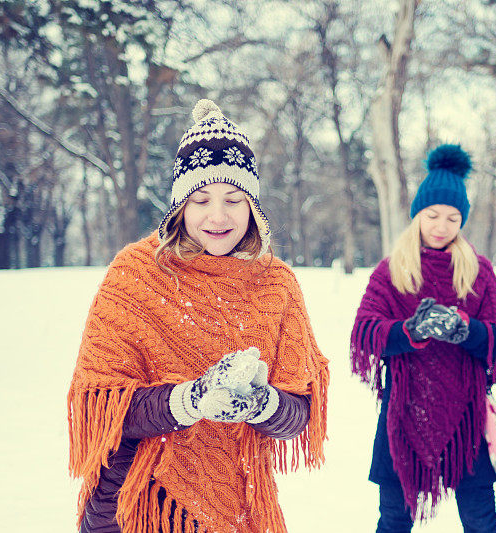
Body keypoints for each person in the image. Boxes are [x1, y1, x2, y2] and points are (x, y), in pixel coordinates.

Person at [68, 99, 329, 533]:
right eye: (201, 198)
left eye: (234, 199)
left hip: (236, 506)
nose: (217, 215)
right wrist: (191, 400)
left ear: (254, 208)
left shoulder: (277, 284)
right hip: (135, 503)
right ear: (180, 206)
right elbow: (105, 404)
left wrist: (261, 404)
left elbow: (298, 412)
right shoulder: (135, 273)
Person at [350, 144, 496, 532]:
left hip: (467, 419)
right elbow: (365, 333)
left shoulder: (479, 271)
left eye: (453, 217)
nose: (442, 225)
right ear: (418, 215)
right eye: (433, 215)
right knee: (393, 521)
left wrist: (465, 330)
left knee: (481, 521)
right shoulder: (391, 270)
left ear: (463, 221)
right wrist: (410, 331)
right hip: (404, 416)